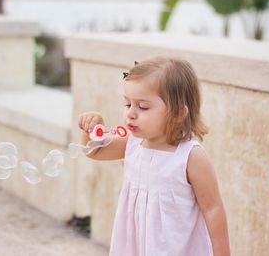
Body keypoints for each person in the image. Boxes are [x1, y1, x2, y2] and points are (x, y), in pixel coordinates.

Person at [77, 57, 230, 256]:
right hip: (136, 246)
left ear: (177, 113)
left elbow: (213, 209)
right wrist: (90, 129)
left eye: (143, 107)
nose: (131, 114)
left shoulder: (190, 157)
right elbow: (93, 151)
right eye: (127, 104)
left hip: (176, 249)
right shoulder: (132, 143)